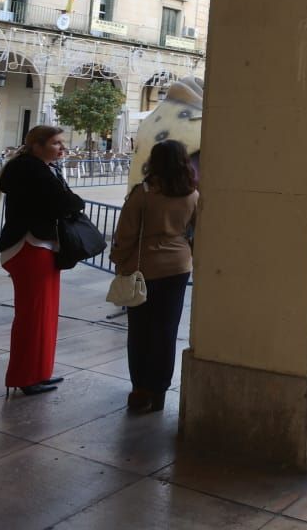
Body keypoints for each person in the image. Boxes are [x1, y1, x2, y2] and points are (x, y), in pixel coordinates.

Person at [0, 124, 84, 396]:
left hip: (39, 246)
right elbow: (68, 202)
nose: (62, 148)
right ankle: (25, 375)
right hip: (30, 246)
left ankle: (38, 372)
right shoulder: (31, 169)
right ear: (37, 145)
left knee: (43, 314)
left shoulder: (35, 168)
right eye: (56, 143)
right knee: (33, 317)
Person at [111, 139, 198, 413]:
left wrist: (119, 260)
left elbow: (125, 233)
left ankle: (140, 389)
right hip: (178, 265)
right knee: (166, 330)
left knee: (140, 330)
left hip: (144, 264)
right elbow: (198, 231)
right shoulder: (192, 194)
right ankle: (160, 390)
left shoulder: (143, 193)